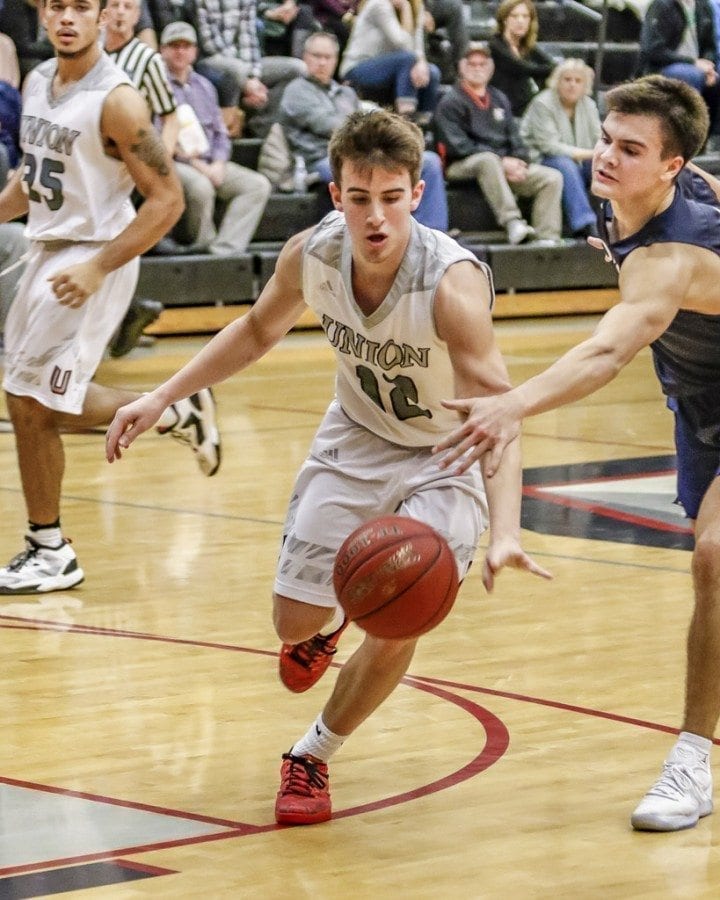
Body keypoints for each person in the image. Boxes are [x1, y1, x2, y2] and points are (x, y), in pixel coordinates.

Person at [105, 108, 551, 826]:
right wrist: (162, 395)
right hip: (355, 436)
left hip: (446, 455)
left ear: (417, 190)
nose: (376, 217)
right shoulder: (311, 254)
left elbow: (498, 412)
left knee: (403, 615)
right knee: (290, 623)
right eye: (359, 197)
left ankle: (312, 754)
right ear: (334, 194)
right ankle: (324, 624)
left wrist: (506, 529)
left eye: (392, 197)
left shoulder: (449, 284)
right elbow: (255, 331)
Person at [433, 74, 720, 833]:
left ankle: (691, 763)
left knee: (714, 557)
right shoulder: (639, 191)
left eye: (630, 149)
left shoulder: (674, 255)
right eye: (605, 139)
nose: (606, 157)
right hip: (703, 407)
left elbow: (606, 353)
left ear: (670, 165)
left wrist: (510, 404)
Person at [0, 0, 220, 595]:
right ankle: (48, 546)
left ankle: (52, 547)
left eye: (81, 7)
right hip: (47, 250)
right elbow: (35, 176)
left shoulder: (118, 101)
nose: (68, 17)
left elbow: (167, 200)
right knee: (25, 403)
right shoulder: (40, 79)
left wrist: (99, 267)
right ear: (43, 15)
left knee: (39, 400)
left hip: (94, 255)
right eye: (57, 6)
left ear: (103, 17)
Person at [280, 30, 449, 230]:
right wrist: (369, 127)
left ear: (336, 60)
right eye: (317, 56)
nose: (322, 62)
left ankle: (431, 234)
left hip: (359, 153)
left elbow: (358, 126)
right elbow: (331, 126)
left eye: (328, 57)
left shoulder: (346, 92)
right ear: (304, 57)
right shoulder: (296, 90)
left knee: (428, 161)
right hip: (318, 160)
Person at [434, 41, 563, 245]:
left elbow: (516, 138)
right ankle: (512, 222)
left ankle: (547, 238)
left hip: (500, 165)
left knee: (551, 177)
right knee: (487, 160)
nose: (477, 69)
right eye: (472, 64)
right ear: (461, 67)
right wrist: (502, 161)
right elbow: (457, 146)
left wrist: (520, 161)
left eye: (482, 64)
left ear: (491, 68)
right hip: (460, 165)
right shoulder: (450, 102)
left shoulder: (499, 98)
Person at [159, 21, 271, 254]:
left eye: (186, 45)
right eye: (174, 45)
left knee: (257, 185)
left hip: (212, 160)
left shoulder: (206, 86)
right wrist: (198, 165)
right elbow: (158, 136)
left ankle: (224, 251)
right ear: (163, 50)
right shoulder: (157, 85)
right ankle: (202, 244)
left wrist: (219, 163)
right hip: (176, 161)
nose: (180, 51)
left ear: (195, 51)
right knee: (201, 187)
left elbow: (220, 133)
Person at [191, 0, 306, 138]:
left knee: (298, 69)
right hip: (211, 60)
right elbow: (210, 44)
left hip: (244, 64)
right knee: (238, 69)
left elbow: (249, 39)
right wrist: (246, 77)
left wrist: (254, 76)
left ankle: (262, 126)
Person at [520, 58, 601, 239]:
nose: (572, 85)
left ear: (585, 85)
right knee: (565, 165)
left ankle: (616, 222)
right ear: (557, 81)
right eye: (567, 79)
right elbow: (549, 146)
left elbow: (599, 139)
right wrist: (589, 154)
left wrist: (599, 154)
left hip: (578, 160)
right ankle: (585, 223)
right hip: (542, 159)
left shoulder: (588, 104)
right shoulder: (542, 103)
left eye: (578, 81)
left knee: (605, 165)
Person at [338, 0, 440, 124]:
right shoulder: (379, 5)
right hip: (358, 68)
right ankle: (405, 121)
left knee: (432, 72)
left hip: (396, 66)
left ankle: (423, 125)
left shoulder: (417, 6)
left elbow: (418, 46)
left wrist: (422, 63)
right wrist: (405, 8)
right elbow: (403, 45)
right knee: (407, 59)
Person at [639, 0, 720, 147]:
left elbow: (710, 46)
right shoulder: (661, 5)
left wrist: (708, 67)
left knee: (714, 80)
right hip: (662, 67)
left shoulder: (703, 6)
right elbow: (652, 50)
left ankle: (708, 139)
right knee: (689, 75)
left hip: (697, 68)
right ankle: (684, 139)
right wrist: (692, 62)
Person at [104, 0, 179, 155]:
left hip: (129, 156)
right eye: (115, 5)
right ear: (104, 14)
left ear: (137, 15)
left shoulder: (148, 59)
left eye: (127, 6)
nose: (120, 11)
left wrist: (162, 161)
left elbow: (170, 118)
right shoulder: (92, 55)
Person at [489, 0, 556, 118]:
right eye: (514, 16)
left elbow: (553, 65)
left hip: (525, 105)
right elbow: (521, 67)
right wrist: (548, 70)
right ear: (504, 20)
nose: (520, 21)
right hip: (501, 107)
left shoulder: (526, 45)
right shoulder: (496, 43)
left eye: (525, 17)